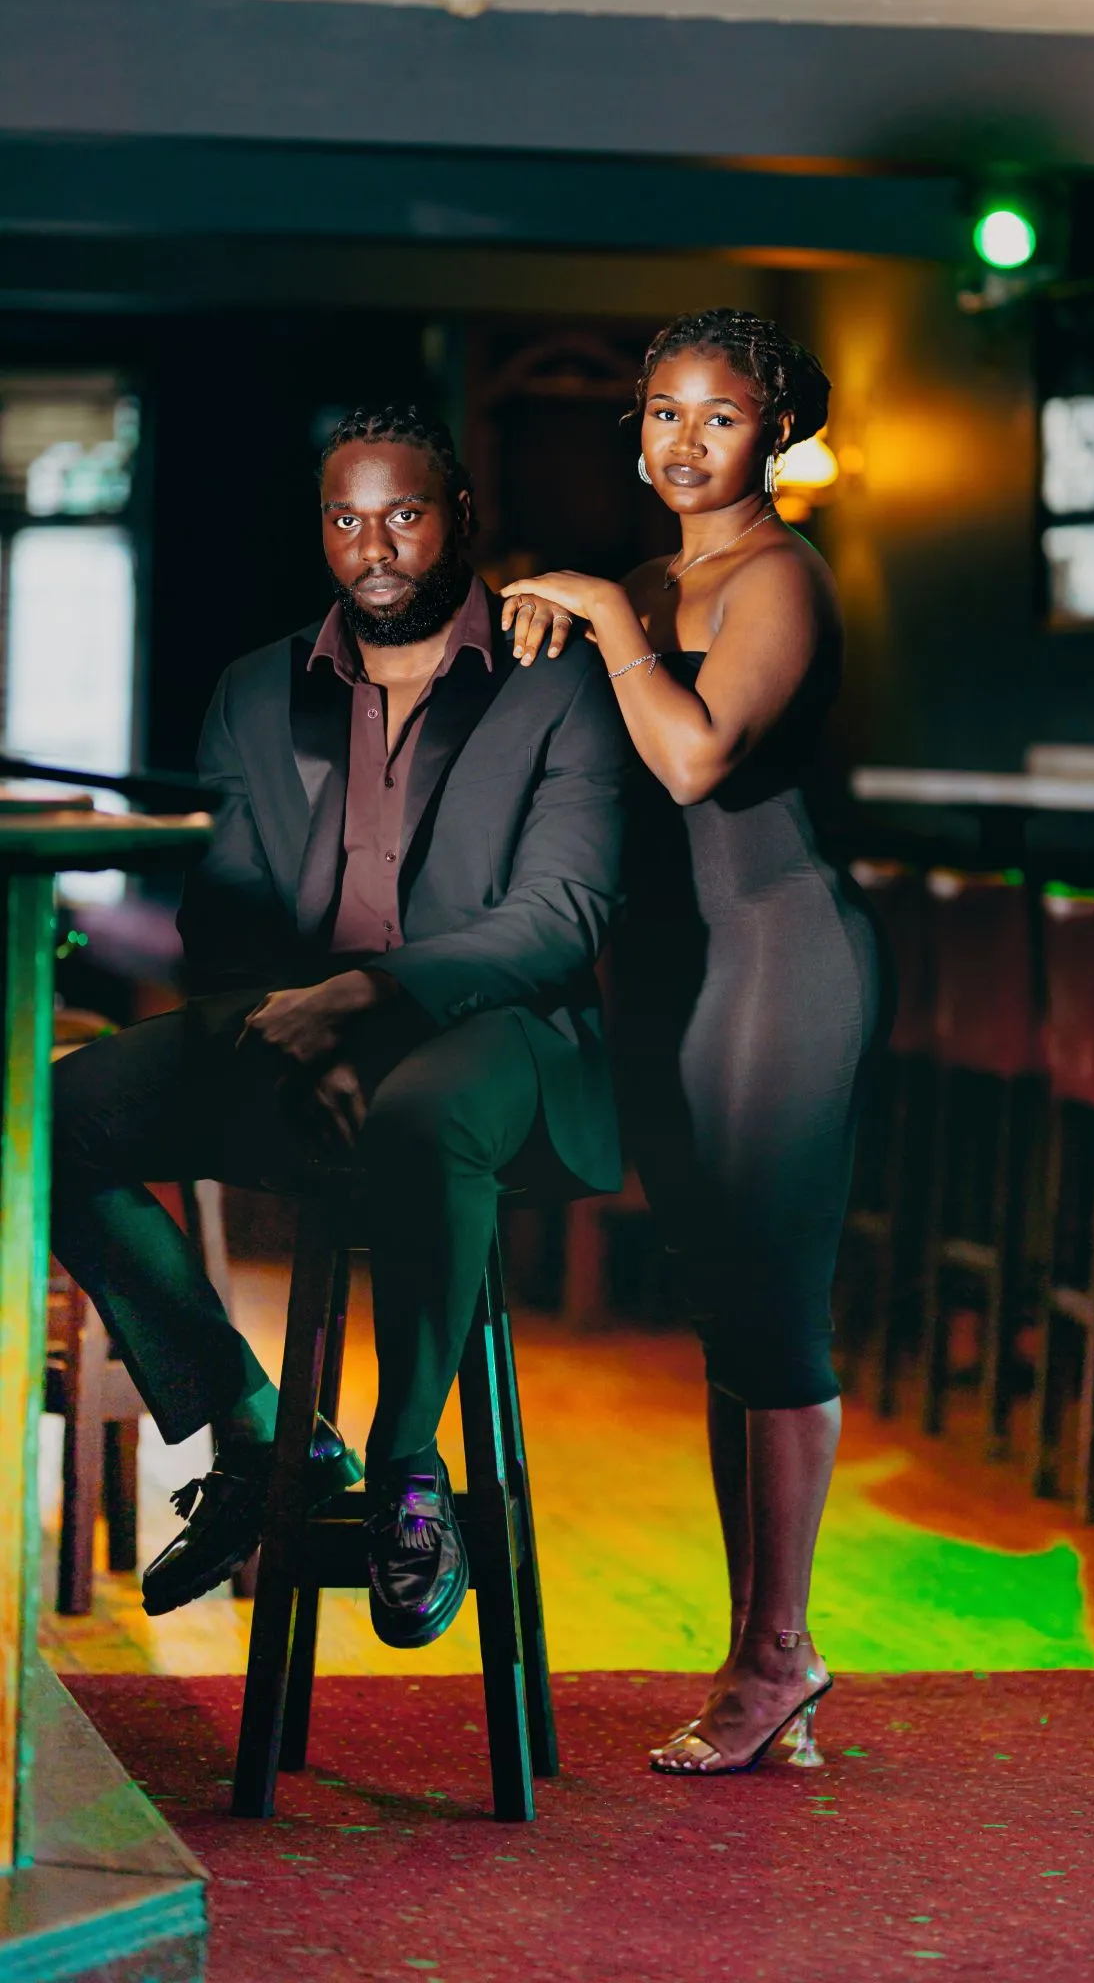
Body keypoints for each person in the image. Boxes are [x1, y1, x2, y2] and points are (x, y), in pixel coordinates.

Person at [51, 406, 631, 1650]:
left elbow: (560, 913)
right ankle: (262, 1429)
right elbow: (230, 918)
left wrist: (366, 1007)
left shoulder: (558, 684)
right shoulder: (255, 691)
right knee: (49, 1115)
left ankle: (408, 1467)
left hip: (500, 1037)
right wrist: (291, 1031)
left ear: (458, 518)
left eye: (405, 516)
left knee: (424, 1112)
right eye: (346, 519)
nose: (374, 547)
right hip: (294, 1027)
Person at [501, 308, 884, 1775]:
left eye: (715, 416)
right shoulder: (657, 576)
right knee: (724, 1307)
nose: (681, 441)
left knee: (774, 1303)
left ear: (774, 425)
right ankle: (761, 1647)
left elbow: (694, 753)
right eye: (660, 413)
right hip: (667, 969)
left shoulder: (779, 578)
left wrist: (599, 614)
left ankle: (777, 1655)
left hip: (783, 959)